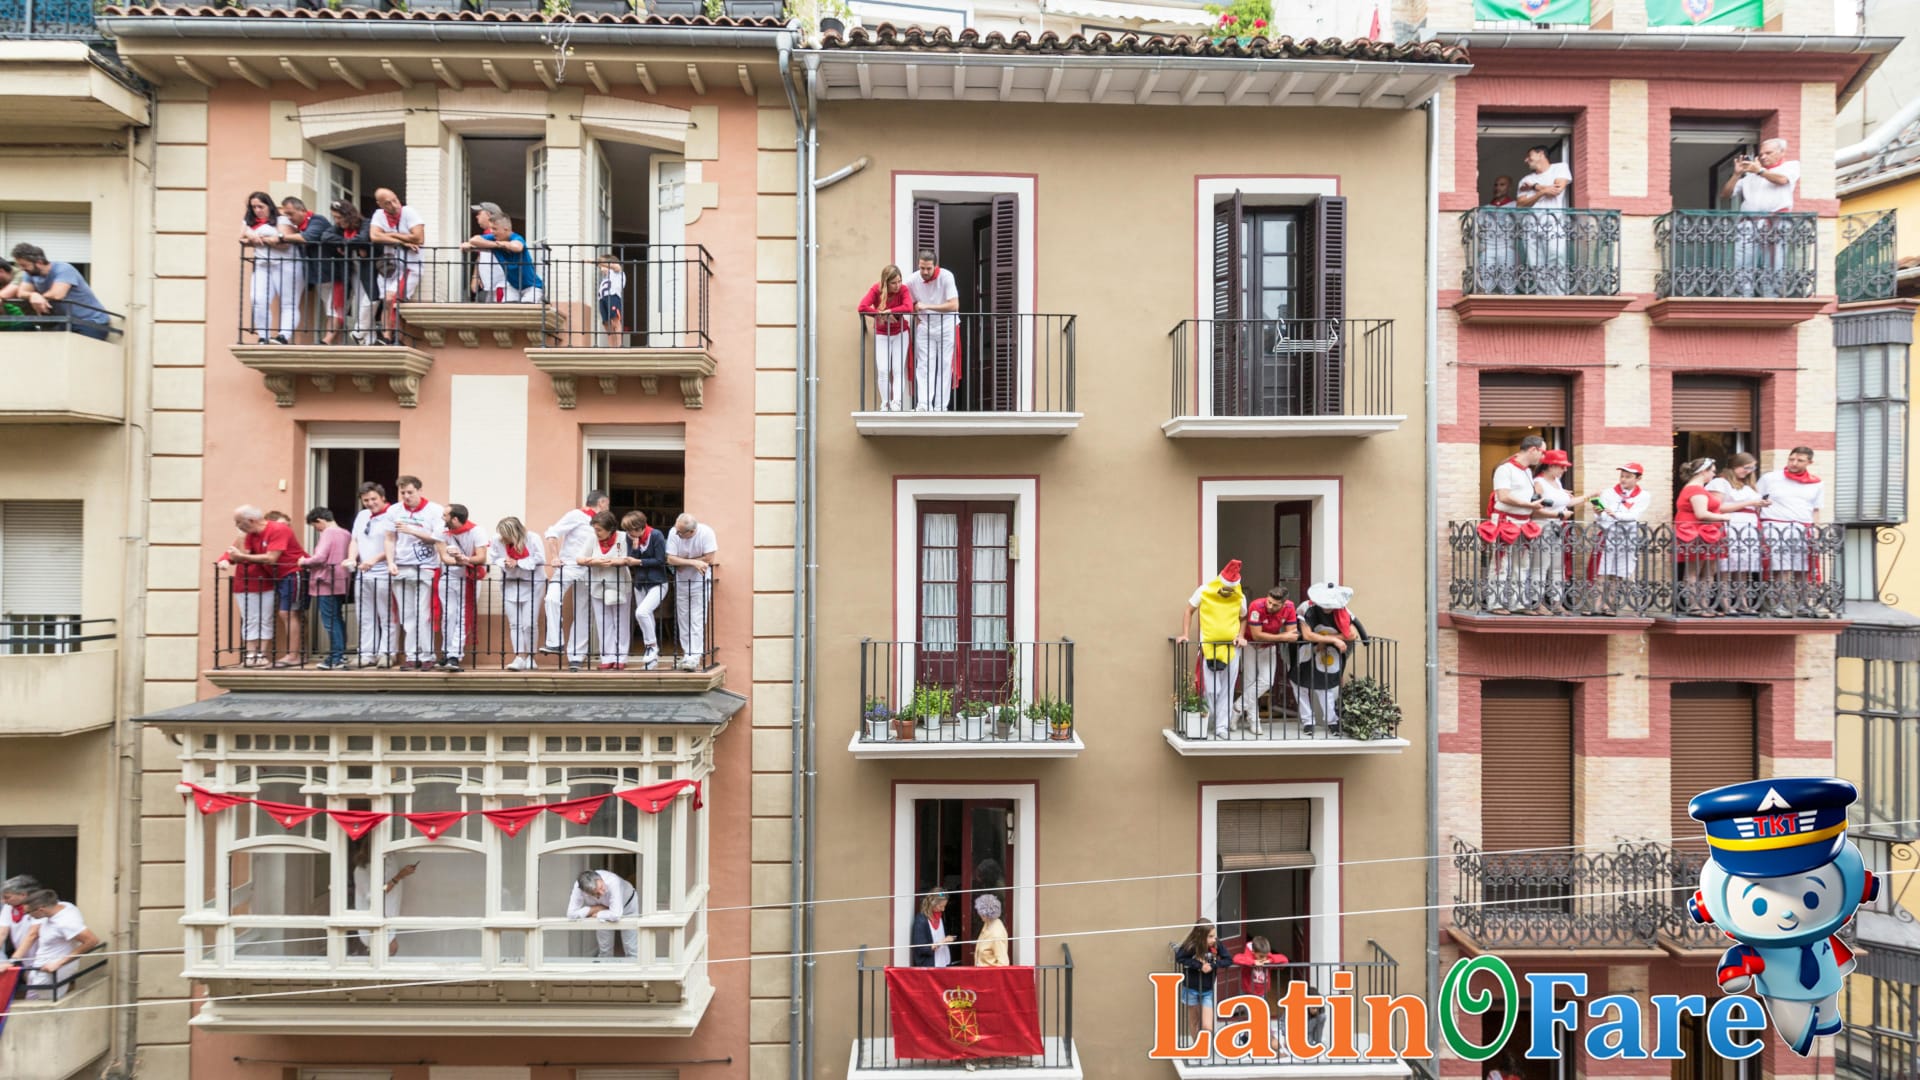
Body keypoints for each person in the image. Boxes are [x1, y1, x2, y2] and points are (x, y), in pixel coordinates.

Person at [224, 504, 307, 668]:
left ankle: (293, 656)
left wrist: (241, 556)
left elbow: (271, 558)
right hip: (278, 577)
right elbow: (243, 555)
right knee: (284, 614)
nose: (237, 525)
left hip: (292, 573)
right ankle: (255, 655)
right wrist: (238, 544)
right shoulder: (252, 535)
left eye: (238, 522)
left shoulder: (278, 529)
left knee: (289, 613)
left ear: (251, 520)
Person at [1719, 138, 1802, 298]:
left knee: (1774, 262)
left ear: (1781, 152)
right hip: (1749, 223)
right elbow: (1725, 194)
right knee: (1742, 261)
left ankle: (1772, 296)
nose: (1763, 157)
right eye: (1761, 154)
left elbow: (1782, 180)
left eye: (1768, 153)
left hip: (1776, 221)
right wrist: (1736, 174)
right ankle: (1744, 295)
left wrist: (1759, 171)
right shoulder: (1750, 177)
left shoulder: (1791, 166)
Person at [1178, 560, 1248, 738]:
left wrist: (1240, 636)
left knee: (1227, 689)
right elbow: (1189, 610)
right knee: (1211, 689)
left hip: (1232, 649)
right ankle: (1213, 719)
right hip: (1209, 647)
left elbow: (1243, 617)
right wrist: (1185, 634)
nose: (1228, 591)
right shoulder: (1204, 591)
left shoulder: (1240, 596)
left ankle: (1221, 727)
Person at [1481, 435, 1549, 615]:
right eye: (1542, 452)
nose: (1543, 457)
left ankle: (1517, 602)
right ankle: (1495, 603)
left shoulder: (1527, 472)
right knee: (1501, 563)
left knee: (1522, 564)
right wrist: (1529, 505)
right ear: (1532, 449)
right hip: (1507, 522)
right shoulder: (1505, 469)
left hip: (1523, 522)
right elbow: (1503, 496)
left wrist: (1534, 500)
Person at [544, 492, 610, 672]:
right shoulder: (576, 515)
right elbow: (552, 533)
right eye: (607, 504)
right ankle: (554, 642)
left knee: (583, 612)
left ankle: (576, 656)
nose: (607, 507)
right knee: (551, 598)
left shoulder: (602, 522)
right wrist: (555, 557)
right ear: (602, 502)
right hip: (568, 566)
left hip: (589, 569)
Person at [385, 476, 446, 671]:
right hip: (401, 567)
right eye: (402, 492)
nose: (406, 496)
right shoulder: (394, 510)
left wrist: (411, 530)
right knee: (407, 615)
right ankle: (412, 656)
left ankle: (428, 655)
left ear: (419, 490)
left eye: (410, 492)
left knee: (423, 614)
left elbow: (437, 538)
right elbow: (389, 538)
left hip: (425, 566)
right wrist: (390, 562)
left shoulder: (434, 510)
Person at [1756, 447, 1825, 617]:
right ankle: (1779, 604)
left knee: (1803, 568)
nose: (1794, 463)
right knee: (1781, 567)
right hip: (1775, 526)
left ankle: (1802, 605)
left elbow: (1816, 509)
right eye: (1791, 459)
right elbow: (1756, 501)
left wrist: (1815, 529)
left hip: (1803, 528)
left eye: (1800, 460)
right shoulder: (1770, 478)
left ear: (1809, 462)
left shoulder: (1816, 483)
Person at [1291, 582, 1367, 734]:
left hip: (1327, 653)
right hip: (1304, 650)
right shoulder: (1306, 608)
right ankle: (1308, 721)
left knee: (1323, 685)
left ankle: (1332, 721)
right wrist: (1333, 639)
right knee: (1299, 684)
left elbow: (1352, 634)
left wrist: (1326, 640)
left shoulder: (1343, 611)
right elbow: (1307, 635)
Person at [3, 243, 112, 341]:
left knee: (80, 354)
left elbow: (57, 294)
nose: (22, 269)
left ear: (39, 263)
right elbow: (22, 293)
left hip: (92, 322)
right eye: (20, 265)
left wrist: (39, 297)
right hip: (66, 321)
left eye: (24, 265)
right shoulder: (30, 273)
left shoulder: (63, 269)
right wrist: (33, 295)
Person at [1707, 452, 1770, 615]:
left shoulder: (1749, 485)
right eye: (1745, 467)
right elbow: (1717, 507)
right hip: (1731, 525)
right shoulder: (1721, 482)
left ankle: (1743, 602)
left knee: (1743, 568)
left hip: (1749, 527)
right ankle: (1726, 604)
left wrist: (1760, 504)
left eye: (1752, 468)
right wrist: (1749, 502)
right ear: (1735, 465)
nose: (1748, 471)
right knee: (1727, 567)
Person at [1675, 458, 1738, 618]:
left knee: (1709, 571)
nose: (1713, 475)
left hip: (1707, 533)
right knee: (1694, 571)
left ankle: (1704, 604)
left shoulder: (1697, 489)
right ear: (1703, 471)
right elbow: (1701, 513)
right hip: (1697, 533)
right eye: (1712, 471)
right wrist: (1723, 517)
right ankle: (1694, 606)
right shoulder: (1695, 490)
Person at [1530, 449, 1588, 615]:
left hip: (1557, 529)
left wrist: (1590, 496)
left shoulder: (1557, 482)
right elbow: (1535, 511)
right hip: (1542, 527)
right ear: (1551, 465)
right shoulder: (1539, 483)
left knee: (1557, 567)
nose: (1565, 469)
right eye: (1562, 466)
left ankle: (1557, 602)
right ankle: (1536, 602)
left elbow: (1567, 502)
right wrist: (1558, 514)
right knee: (1540, 567)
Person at [348, 481, 398, 668]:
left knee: (387, 614)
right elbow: (355, 540)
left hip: (384, 571)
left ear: (382, 497)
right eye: (366, 500)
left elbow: (395, 544)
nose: (370, 503)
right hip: (363, 571)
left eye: (373, 499)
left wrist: (375, 560)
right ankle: (366, 653)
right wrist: (351, 558)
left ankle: (387, 653)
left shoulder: (392, 514)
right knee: (364, 615)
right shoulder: (362, 516)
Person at [240, 191, 300, 344]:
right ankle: (263, 336)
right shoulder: (249, 222)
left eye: (261, 206)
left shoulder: (281, 220)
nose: (257, 210)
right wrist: (254, 237)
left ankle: (284, 336)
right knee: (257, 299)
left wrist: (260, 239)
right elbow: (242, 239)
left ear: (269, 206)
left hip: (286, 264)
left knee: (288, 302)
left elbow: (285, 243)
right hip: (262, 265)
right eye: (254, 207)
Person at [1238, 585, 1298, 736]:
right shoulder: (1256, 606)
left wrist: (1283, 637)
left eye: (1275, 605)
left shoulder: (1289, 607)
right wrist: (1282, 637)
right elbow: (1257, 635)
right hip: (1250, 644)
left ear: (1284, 603)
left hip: (1269, 646)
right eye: (1269, 602)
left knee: (1267, 681)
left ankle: (1236, 708)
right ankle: (1254, 721)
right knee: (1250, 682)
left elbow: (1292, 634)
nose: (1270, 606)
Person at [1589, 463, 1649, 614]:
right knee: (1602, 571)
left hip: (1628, 538)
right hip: (1609, 535)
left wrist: (1615, 515)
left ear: (1638, 478)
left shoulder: (1644, 496)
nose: (1623, 479)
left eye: (1628, 477)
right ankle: (1596, 605)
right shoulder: (1608, 493)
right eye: (1622, 476)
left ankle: (1609, 604)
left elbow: (1634, 515)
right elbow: (1601, 517)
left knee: (1618, 573)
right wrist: (1599, 513)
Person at [368, 188, 425, 343]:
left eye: (395, 200)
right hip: (389, 267)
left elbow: (419, 238)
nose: (394, 205)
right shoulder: (379, 215)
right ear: (380, 204)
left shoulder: (409, 212)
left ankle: (392, 337)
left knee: (392, 299)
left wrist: (390, 234)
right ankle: (387, 337)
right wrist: (402, 241)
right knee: (387, 301)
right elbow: (374, 236)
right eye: (388, 203)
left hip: (410, 266)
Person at [18, 889, 98, 998]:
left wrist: (59, 963)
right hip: (40, 967)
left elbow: (92, 941)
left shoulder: (65, 923)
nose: (28, 917)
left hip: (51, 971)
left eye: (28, 913)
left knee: (44, 1003)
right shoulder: (65, 906)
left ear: (41, 910)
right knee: (32, 999)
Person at [490, 516, 546, 670]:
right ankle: (519, 656)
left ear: (514, 533)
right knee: (514, 623)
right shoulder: (497, 540)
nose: (503, 538)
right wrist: (504, 562)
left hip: (532, 583)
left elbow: (540, 558)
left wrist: (518, 562)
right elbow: (494, 557)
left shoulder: (533, 538)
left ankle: (531, 657)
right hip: (510, 583)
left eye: (506, 535)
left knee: (529, 623)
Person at [1514, 146, 1572, 295]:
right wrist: (1541, 192)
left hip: (1553, 224)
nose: (1526, 160)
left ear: (1540, 154)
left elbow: (1557, 190)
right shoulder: (1525, 180)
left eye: (1529, 156)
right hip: (1530, 226)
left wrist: (1535, 187)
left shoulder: (1559, 168)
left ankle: (1558, 295)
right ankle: (1543, 296)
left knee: (1556, 257)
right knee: (1535, 264)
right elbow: (1520, 205)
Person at [435, 503, 486, 672]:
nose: (442, 518)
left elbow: (481, 557)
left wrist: (464, 559)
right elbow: (444, 557)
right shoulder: (441, 531)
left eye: (445, 515)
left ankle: (454, 655)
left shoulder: (476, 531)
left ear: (455, 519)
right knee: (448, 615)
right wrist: (458, 560)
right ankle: (446, 651)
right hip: (448, 577)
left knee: (463, 616)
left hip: (469, 578)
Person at [907, 250, 960, 412]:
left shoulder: (946, 276)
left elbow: (954, 305)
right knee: (924, 365)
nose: (925, 272)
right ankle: (923, 404)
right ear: (918, 265)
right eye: (922, 268)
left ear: (935, 266)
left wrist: (927, 306)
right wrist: (917, 317)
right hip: (925, 326)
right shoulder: (912, 280)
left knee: (944, 365)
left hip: (947, 326)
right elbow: (910, 304)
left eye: (928, 268)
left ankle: (940, 407)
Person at [300, 507, 353, 670]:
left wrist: (303, 562)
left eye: (315, 526)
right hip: (341, 580)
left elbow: (320, 557)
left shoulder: (328, 533)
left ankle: (336, 657)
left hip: (326, 581)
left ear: (320, 521)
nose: (317, 530)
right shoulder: (346, 533)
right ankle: (341, 654)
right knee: (337, 618)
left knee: (330, 621)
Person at [859, 264, 915, 411]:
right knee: (883, 370)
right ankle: (886, 403)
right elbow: (862, 307)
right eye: (893, 283)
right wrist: (880, 315)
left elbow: (909, 307)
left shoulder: (903, 289)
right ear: (886, 282)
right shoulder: (876, 289)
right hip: (882, 333)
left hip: (901, 333)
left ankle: (896, 403)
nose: (898, 285)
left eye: (899, 281)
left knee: (898, 370)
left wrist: (890, 311)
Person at [666, 513, 719, 671]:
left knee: (697, 618)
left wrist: (683, 562)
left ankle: (694, 657)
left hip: (700, 581)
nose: (676, 533)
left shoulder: (706, 532)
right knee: (683, 618)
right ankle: (687, 655)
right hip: (681, 581)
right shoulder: (674, 532)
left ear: (692, 532)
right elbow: (670, 559)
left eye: (680, 532)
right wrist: (694, 562)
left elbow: (709, 558)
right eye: (676, 530)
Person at [582, 511, 633, 670]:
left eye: (599, 530)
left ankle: (621, 657)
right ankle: (607, 657)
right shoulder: (592, 539)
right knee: (603, 622)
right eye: (595, 529)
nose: (596, 533)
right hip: (598, 585)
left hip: (620, 585)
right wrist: (594, 561)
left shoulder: (623, 537)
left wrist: (613, 561)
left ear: (610, 529)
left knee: (621, 621)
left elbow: (628, 558)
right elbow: (580, 558)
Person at [464, 203, 543, 304]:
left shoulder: (515, 237)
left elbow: (517, 247)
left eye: (495, 229)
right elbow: (473, 240)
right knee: (507, 307)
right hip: (513, 286)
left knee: (527, 306)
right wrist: (496, 245)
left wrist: (501, 245)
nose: (492, 232)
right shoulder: (494, 239)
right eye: (491, 229)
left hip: (532, 286)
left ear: (506, 229)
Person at [621, 510, 670, 670]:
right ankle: (652, 660)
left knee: (641, 613)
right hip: (640, 583)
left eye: (630, 530)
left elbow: (660, 560)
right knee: (645, 617)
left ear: (639, 527)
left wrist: (639, 562)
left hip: (658, 582)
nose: (628, 533)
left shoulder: (656, 535)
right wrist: (635, 548)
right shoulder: (631, 538)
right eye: (627, 530)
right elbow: (631, 559)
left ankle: (652, 647)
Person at [348, 839, 415, 957]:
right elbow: (373, 896)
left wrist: (401, 874)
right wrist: (399, 876)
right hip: (374, 919)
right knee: (388, 951)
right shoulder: (361, 870)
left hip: (389, 915)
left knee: (389, 951)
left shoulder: (389, 860)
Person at [279, 196, 333, 339]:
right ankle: (331, 341)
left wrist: (281, 237)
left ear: (302, 210)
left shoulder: (318, 221)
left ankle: (329, 341)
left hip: (332, 273)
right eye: (286, 215)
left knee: (333, 308)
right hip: (320, 275)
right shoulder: (301, 226)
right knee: (329, 307)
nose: (289, 218)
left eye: (290, 214)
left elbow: (307, 238)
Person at [322, 201, 374, 345]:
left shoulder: (365, 223)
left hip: (366, 268)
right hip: (352, 270)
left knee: (368, 300)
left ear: (348, 215)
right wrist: (348, 242)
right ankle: (366, 338)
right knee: (358, 301)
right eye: (335, 217)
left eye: (339, 217)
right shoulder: (338, 228)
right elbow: (325, 236)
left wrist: (345, 244)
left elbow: (363, 238)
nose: (336, 221)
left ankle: (368, 338)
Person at [1174, 919, 1230, 1037]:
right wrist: (1199, 965)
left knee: (1207, 1026)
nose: (1214, 939)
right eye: (1210, 936)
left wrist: (1213, 965)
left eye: (1214, 936)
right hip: (1190, 989)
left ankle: (1205, 1045)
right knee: (1194, 1022)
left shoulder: (1216, 944)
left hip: (1207, 990)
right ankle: (1197, 1047)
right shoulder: (1191, 945)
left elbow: (1228, 960)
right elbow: (1180, 957)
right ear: (1200, 936)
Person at [568, 868, 638, 959]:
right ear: (586, 892)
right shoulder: (579, 887)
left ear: (601, 879)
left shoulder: (613, 881)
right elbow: (571, 914)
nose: (601, 893)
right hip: (601, 910)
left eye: (601, 887)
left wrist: (598, 914)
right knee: (605, 948)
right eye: (596, 894)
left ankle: (633, 966)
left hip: (628, 905)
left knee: (631, 946)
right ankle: (605, 967)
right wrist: (594, 909)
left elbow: (616, 915)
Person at [1477, 175, 1519, 292]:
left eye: (1502, 185)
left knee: (1508, 284)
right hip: (1487, 248)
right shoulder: (1485, 208)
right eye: (1496, 185)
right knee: (1485, 285)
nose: (1497, 188)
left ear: (1509, 187)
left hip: (1506, 247)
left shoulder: (1516, 205)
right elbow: (1478, 228)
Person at [1232, 935, 1286, 1007]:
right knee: (1248, 1009)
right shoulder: (1248, 956)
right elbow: (1236, 958)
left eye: (1266, 956)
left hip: (1261, 992)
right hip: (1247, 991)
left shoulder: (1266, 957)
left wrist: (1270, 960)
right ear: (1253, 952)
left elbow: (1284, 960)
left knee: (1260, 1010)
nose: (1264, 958)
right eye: (1261, 956)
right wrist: (1253, 962)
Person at [909, 890, 956, 968]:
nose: (943, 909)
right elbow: (921, 948)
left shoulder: (940, 917)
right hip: (930, 967)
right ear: (932, 904)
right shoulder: (921, 920)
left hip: (944, 963)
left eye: (944, 906)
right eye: (940, 906)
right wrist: (942, 942)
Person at [2, 875, 42, 964]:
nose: (3, 901)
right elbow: (2, 933)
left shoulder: (40, 906)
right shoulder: (8, 907)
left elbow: (33, 934)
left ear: (23, 895)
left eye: (7, 897)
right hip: (24, 959)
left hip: (43, 960)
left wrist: (12, 961)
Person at [596, 250, 626, 343]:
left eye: (603, 265)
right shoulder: (605, 278)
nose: (601, 268)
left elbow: (616, 267)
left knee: (615, 320)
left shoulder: (617, 272)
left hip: (613, 296)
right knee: (606, 323)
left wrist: (596, 261)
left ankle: (619, 345)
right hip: (603, 299)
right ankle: (611, 346)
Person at [973, 892, 1009, 967]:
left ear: (985, 914)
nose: (979, 914)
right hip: (981, 970)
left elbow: (1003, 963)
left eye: (980, 912)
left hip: (989, 972)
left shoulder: (996, 934)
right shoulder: (988, 923)